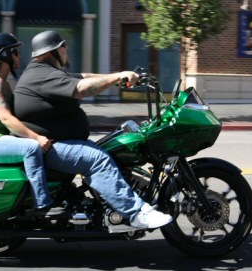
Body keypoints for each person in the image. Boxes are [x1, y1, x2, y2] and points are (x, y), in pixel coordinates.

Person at [13, 30, 173, 229]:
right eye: (64, 47)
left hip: (58, 144)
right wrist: (117, 77)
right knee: (97, 159)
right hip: (51, 147)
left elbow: (83, 76)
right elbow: (81, 87)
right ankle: (136, 213)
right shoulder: (44, 76)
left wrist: (122, 77)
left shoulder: (45, 72)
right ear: (52, 51)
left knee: (111, 149)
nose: (66, 51)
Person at [0, 32, 64, 216]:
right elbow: (6, 119)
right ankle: (42, 204)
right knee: (31, 148)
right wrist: (36, 137)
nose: (19, 56)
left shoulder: (3, 82)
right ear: (4, 55)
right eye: (15, 52)